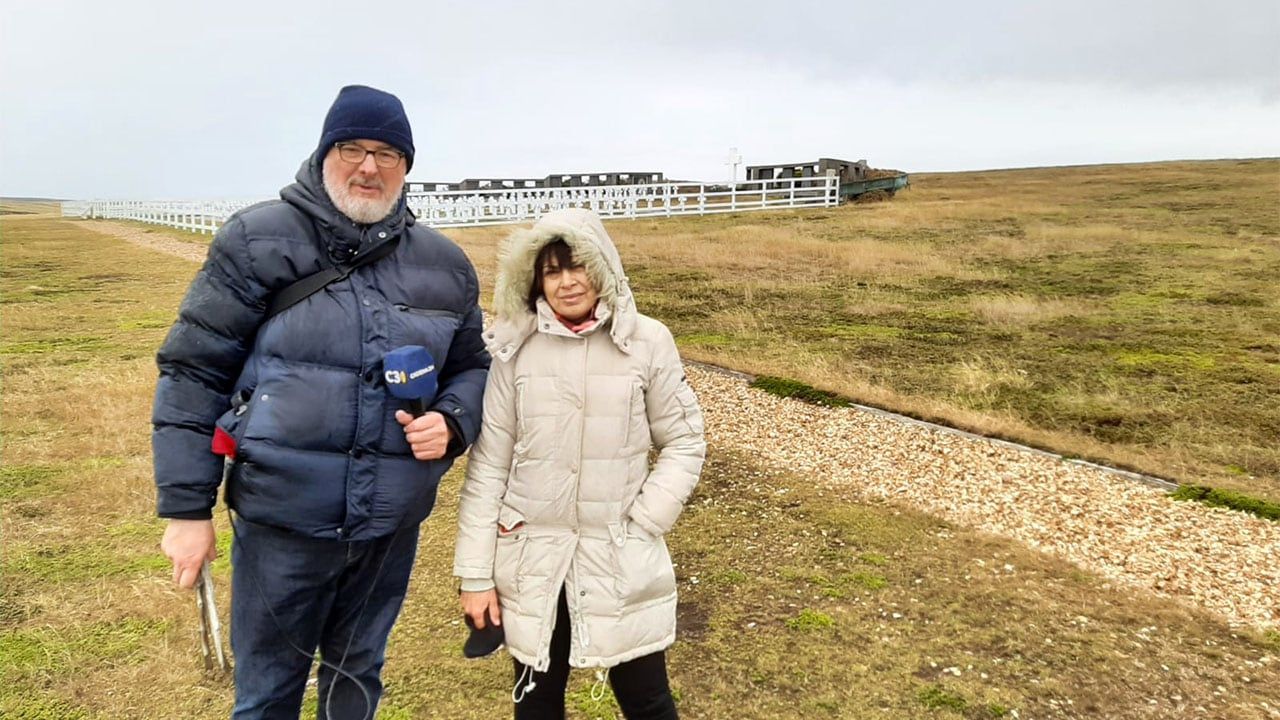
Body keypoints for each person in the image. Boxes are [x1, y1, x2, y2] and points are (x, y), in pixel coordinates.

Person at [154, 85, 490, 719]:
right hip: (282, 517)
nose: (369, 166)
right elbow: (192, 373)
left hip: (389, 524)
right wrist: (186, 509)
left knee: (358, 674)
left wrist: (452, 421)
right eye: (353, 148)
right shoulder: (257, 240)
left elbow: (472, 367)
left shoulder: (445, 266)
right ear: (323, 152)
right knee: (268, 691)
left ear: (407, 166)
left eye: (388, 153)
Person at [453, 208, 706, 719]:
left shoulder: (647, 341)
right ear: (534, 280)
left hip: (619, 555)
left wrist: (646, 520)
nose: (567, 282)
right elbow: (488, 469)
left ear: (603, 268)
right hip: (532, 561)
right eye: (552, 270)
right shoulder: (514, 351)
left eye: (578, 266)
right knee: (537, 704)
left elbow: (684, 440)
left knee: (648, 702)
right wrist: (476, 575)